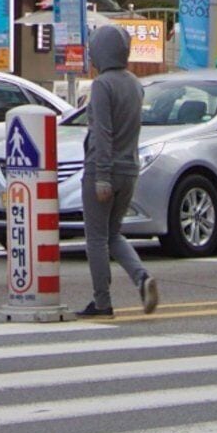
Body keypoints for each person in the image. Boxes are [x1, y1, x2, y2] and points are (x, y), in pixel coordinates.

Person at [77, 22, 158, 317]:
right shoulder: (134, 83)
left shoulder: (102, 84)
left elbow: (102, 132)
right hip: (129, 169)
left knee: (96, 238)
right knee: (113, 233)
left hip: (104, 169)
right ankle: (141, 278)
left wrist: (100, 175)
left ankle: (102, 301)